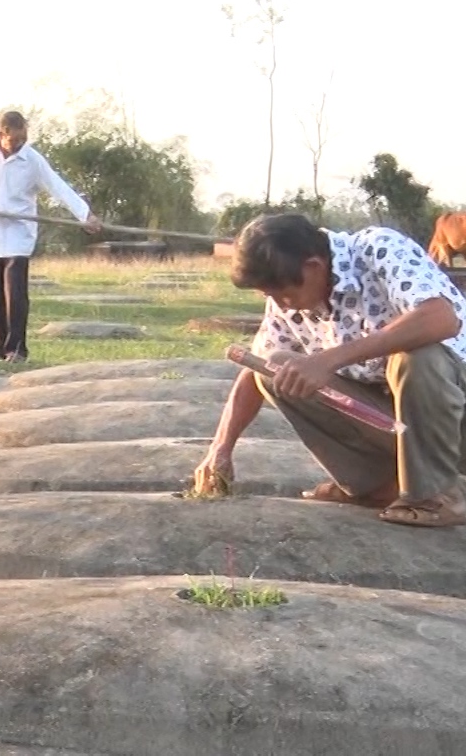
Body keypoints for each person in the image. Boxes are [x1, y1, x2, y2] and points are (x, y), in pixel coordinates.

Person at [194, 212, 466, 528]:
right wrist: (221, 449)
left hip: (455, 417)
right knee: (277, 368)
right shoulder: (288, 300)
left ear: (314, 267)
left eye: (282, 293)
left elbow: (441, 319)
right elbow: (257, 368)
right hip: (407, 430)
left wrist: (330, 359)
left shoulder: (379, 249)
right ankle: (378, 487)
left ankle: (439, 495)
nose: (281, 305)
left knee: (417, 356)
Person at [0, 110, 101, 362]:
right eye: (15, 140)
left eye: (23, 138)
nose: (20, 144)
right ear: (1, 134)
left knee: (15, 294)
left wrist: (85, 215)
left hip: (18, 235)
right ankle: (1, 344)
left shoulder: (32, 160)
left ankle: (17, 348)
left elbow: (58, 187)